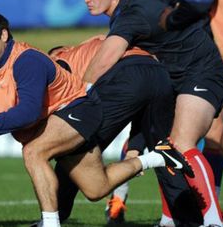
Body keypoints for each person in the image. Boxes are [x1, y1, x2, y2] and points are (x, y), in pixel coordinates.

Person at [0, 11, 193, 227]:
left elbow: (28, 111)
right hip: (61, 122)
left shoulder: (26, 60)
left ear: (3, 35)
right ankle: (158, 158)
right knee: (96, 188)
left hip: (78, 110)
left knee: (33, 151)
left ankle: (50, 223)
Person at [81, 0, 223, 226]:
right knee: (163, 143)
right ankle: (167, 218)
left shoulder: (130, 12)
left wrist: (78, 97)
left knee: (183, 143)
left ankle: (214, 221)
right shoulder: (137, 5)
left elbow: (105, 59)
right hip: (172, 74)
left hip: (203, 69)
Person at [49, 35, 201, 226]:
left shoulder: (60, 59)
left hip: (128, 74)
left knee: (73, 148)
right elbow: (142, 109)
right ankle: (191, 222)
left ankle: (52, 218)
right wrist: (135, 147)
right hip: (158, 74)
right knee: (165, 154)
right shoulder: (97, 42)